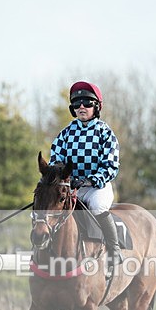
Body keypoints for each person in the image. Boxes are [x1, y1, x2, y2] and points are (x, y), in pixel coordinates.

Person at [50, 81, 122, 273]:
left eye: (87, 102)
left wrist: (90, 180)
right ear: (72, 108)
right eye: (77, 103)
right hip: (70, 187)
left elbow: (111, 165)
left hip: (97, 187)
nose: (82, 106)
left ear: (97, 107)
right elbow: (55, 160)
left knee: (97, 206)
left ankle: (114, 251)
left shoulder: (105, 133)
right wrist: (62, 179)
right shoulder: (65, 134)